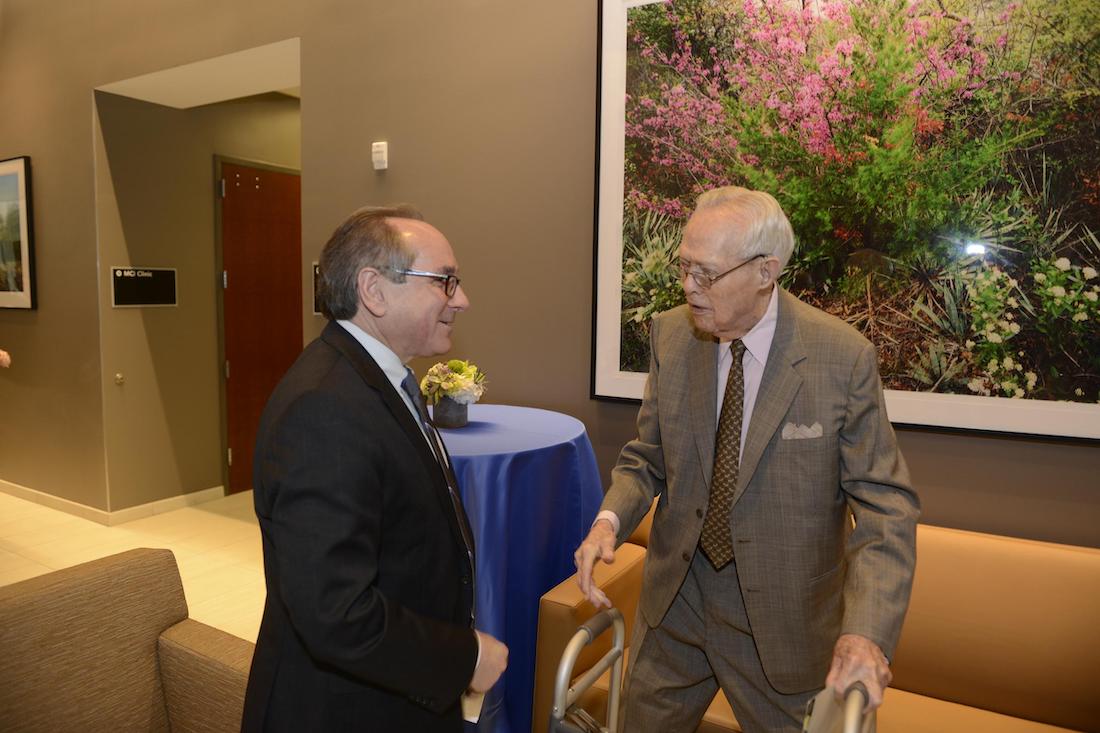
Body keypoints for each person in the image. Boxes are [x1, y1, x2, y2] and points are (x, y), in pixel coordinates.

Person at [575, 187, 919, 732]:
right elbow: (647, 457)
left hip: (785, 625)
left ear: (765, 271)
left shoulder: (840, 357)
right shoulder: (671, 335)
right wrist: (607, 521)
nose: (689, 286)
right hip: (676, 608)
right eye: (684, 266)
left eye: (706, 273)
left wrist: (865, 632)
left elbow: (885, 510)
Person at [241, 205, 507, 732]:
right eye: (445, 281)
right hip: (344, 710)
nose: (462, 299)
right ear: (374, 290)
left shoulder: (378, 379)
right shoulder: (324, 408)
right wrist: (463, 658)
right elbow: (335, 610)